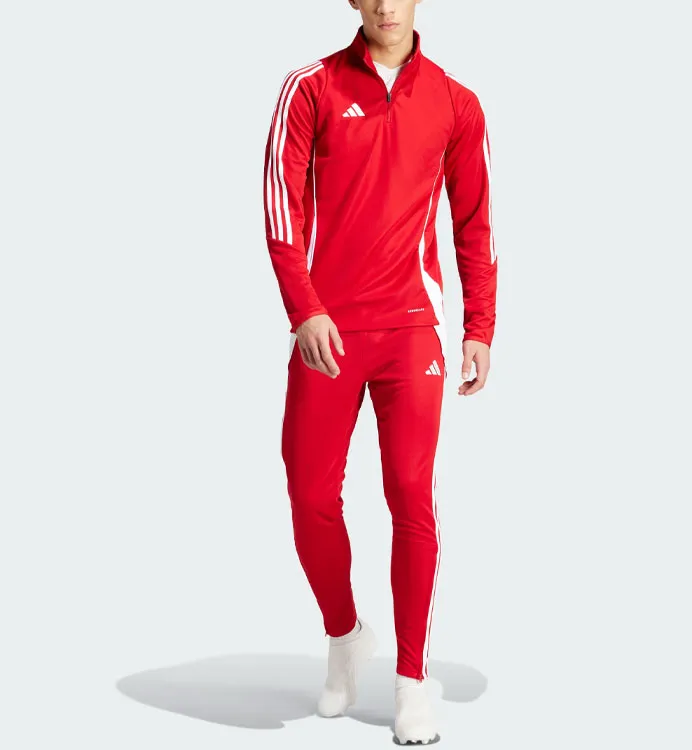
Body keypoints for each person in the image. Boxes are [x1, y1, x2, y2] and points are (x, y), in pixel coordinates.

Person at [262, 0, 497, 744]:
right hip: (327, 332)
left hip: (410, 331)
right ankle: (345, 635)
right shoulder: (310, 88)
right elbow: (281, 211)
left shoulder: (456, 103)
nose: (387, 5)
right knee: (309, 493)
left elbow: (474, 221)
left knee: (410, 494)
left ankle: (410, 680)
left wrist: (479, 326)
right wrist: (304, 309)